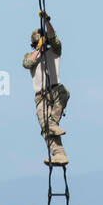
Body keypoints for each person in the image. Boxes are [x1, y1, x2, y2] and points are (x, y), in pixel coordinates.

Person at [22, 12, 69, 166]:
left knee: (63, 93)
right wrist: (39, 49)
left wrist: (46, 21)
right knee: (46, 130)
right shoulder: (32, 56)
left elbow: (53, 37)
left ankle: (53, 123)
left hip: (54, 91)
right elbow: (27, 63)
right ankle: (59, 154)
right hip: (40, 96)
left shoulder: (55, 50)